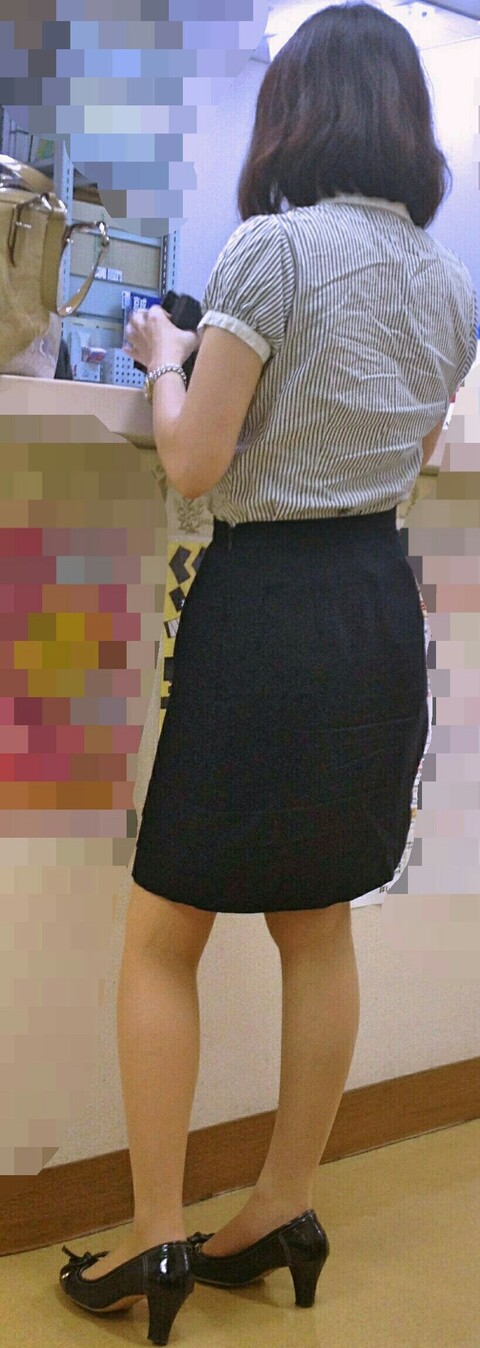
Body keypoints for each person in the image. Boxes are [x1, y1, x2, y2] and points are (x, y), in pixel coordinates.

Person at [58, 4, 478, 1344]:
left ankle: (157, 1235)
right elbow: (417, 454)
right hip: (376, 605)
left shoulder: (272, 249)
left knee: (163, 933)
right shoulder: (449, 283)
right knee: (319, 919)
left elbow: (193, 461)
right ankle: (283, 1207)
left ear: (294, 112)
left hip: (269, 612)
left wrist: (162, 362)